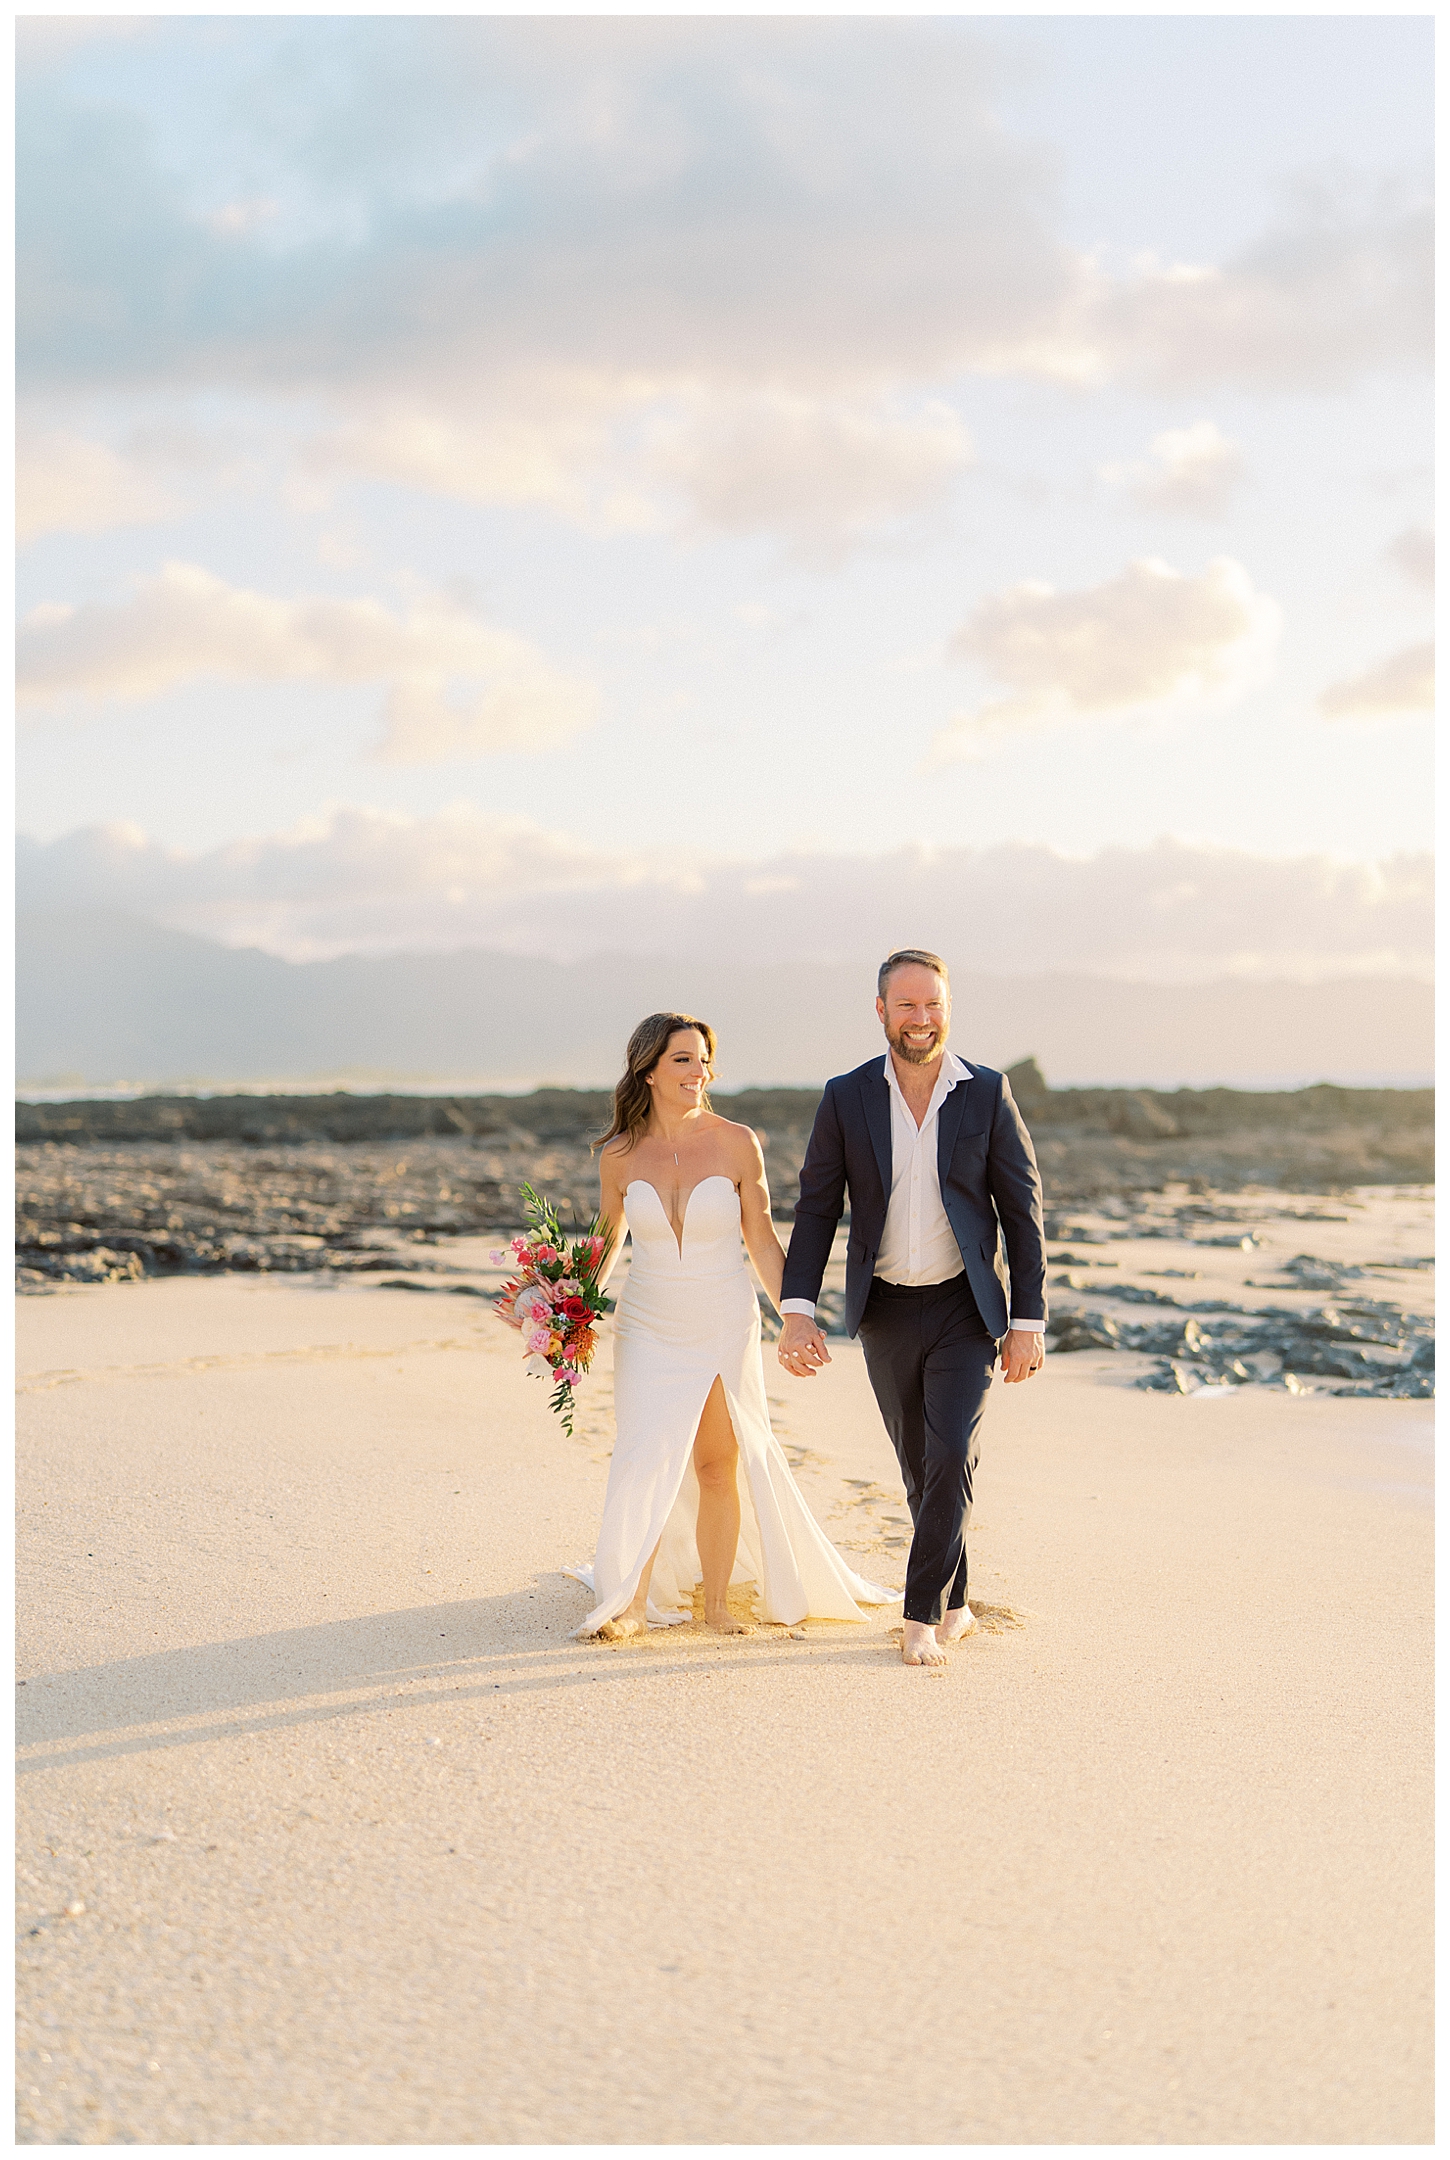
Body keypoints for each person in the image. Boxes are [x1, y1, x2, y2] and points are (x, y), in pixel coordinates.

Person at [565, 1011, 896, 1641]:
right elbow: (605, 1244)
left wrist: (796, 1317)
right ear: (649, 1069)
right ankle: (631, 1601)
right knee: (646, 1458)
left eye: (702, 1060)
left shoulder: (737, 1141)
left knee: (719, 1462)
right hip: (647, 1323)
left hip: (722, 1318)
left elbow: (764, 1241)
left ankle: (715, 1605)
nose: (698, 1072)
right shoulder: (618, 1153)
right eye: (683, 1059)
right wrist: (562, 1310)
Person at [778, 950, 1047, 1668]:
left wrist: (1028, 1321)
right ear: (881, 1012)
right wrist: (797, 1308)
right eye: (906, 1006)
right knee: (919, 1466)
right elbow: (815, 1209)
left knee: (953, 1450)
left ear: (947, 1007)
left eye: (932, 1005)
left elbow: (1022, 1211)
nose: (921, 1019)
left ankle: (921, 1615)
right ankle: (958, 1601)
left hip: (967, 1307)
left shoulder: (987, 1091)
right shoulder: (847, 1095)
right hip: (885, 1309)